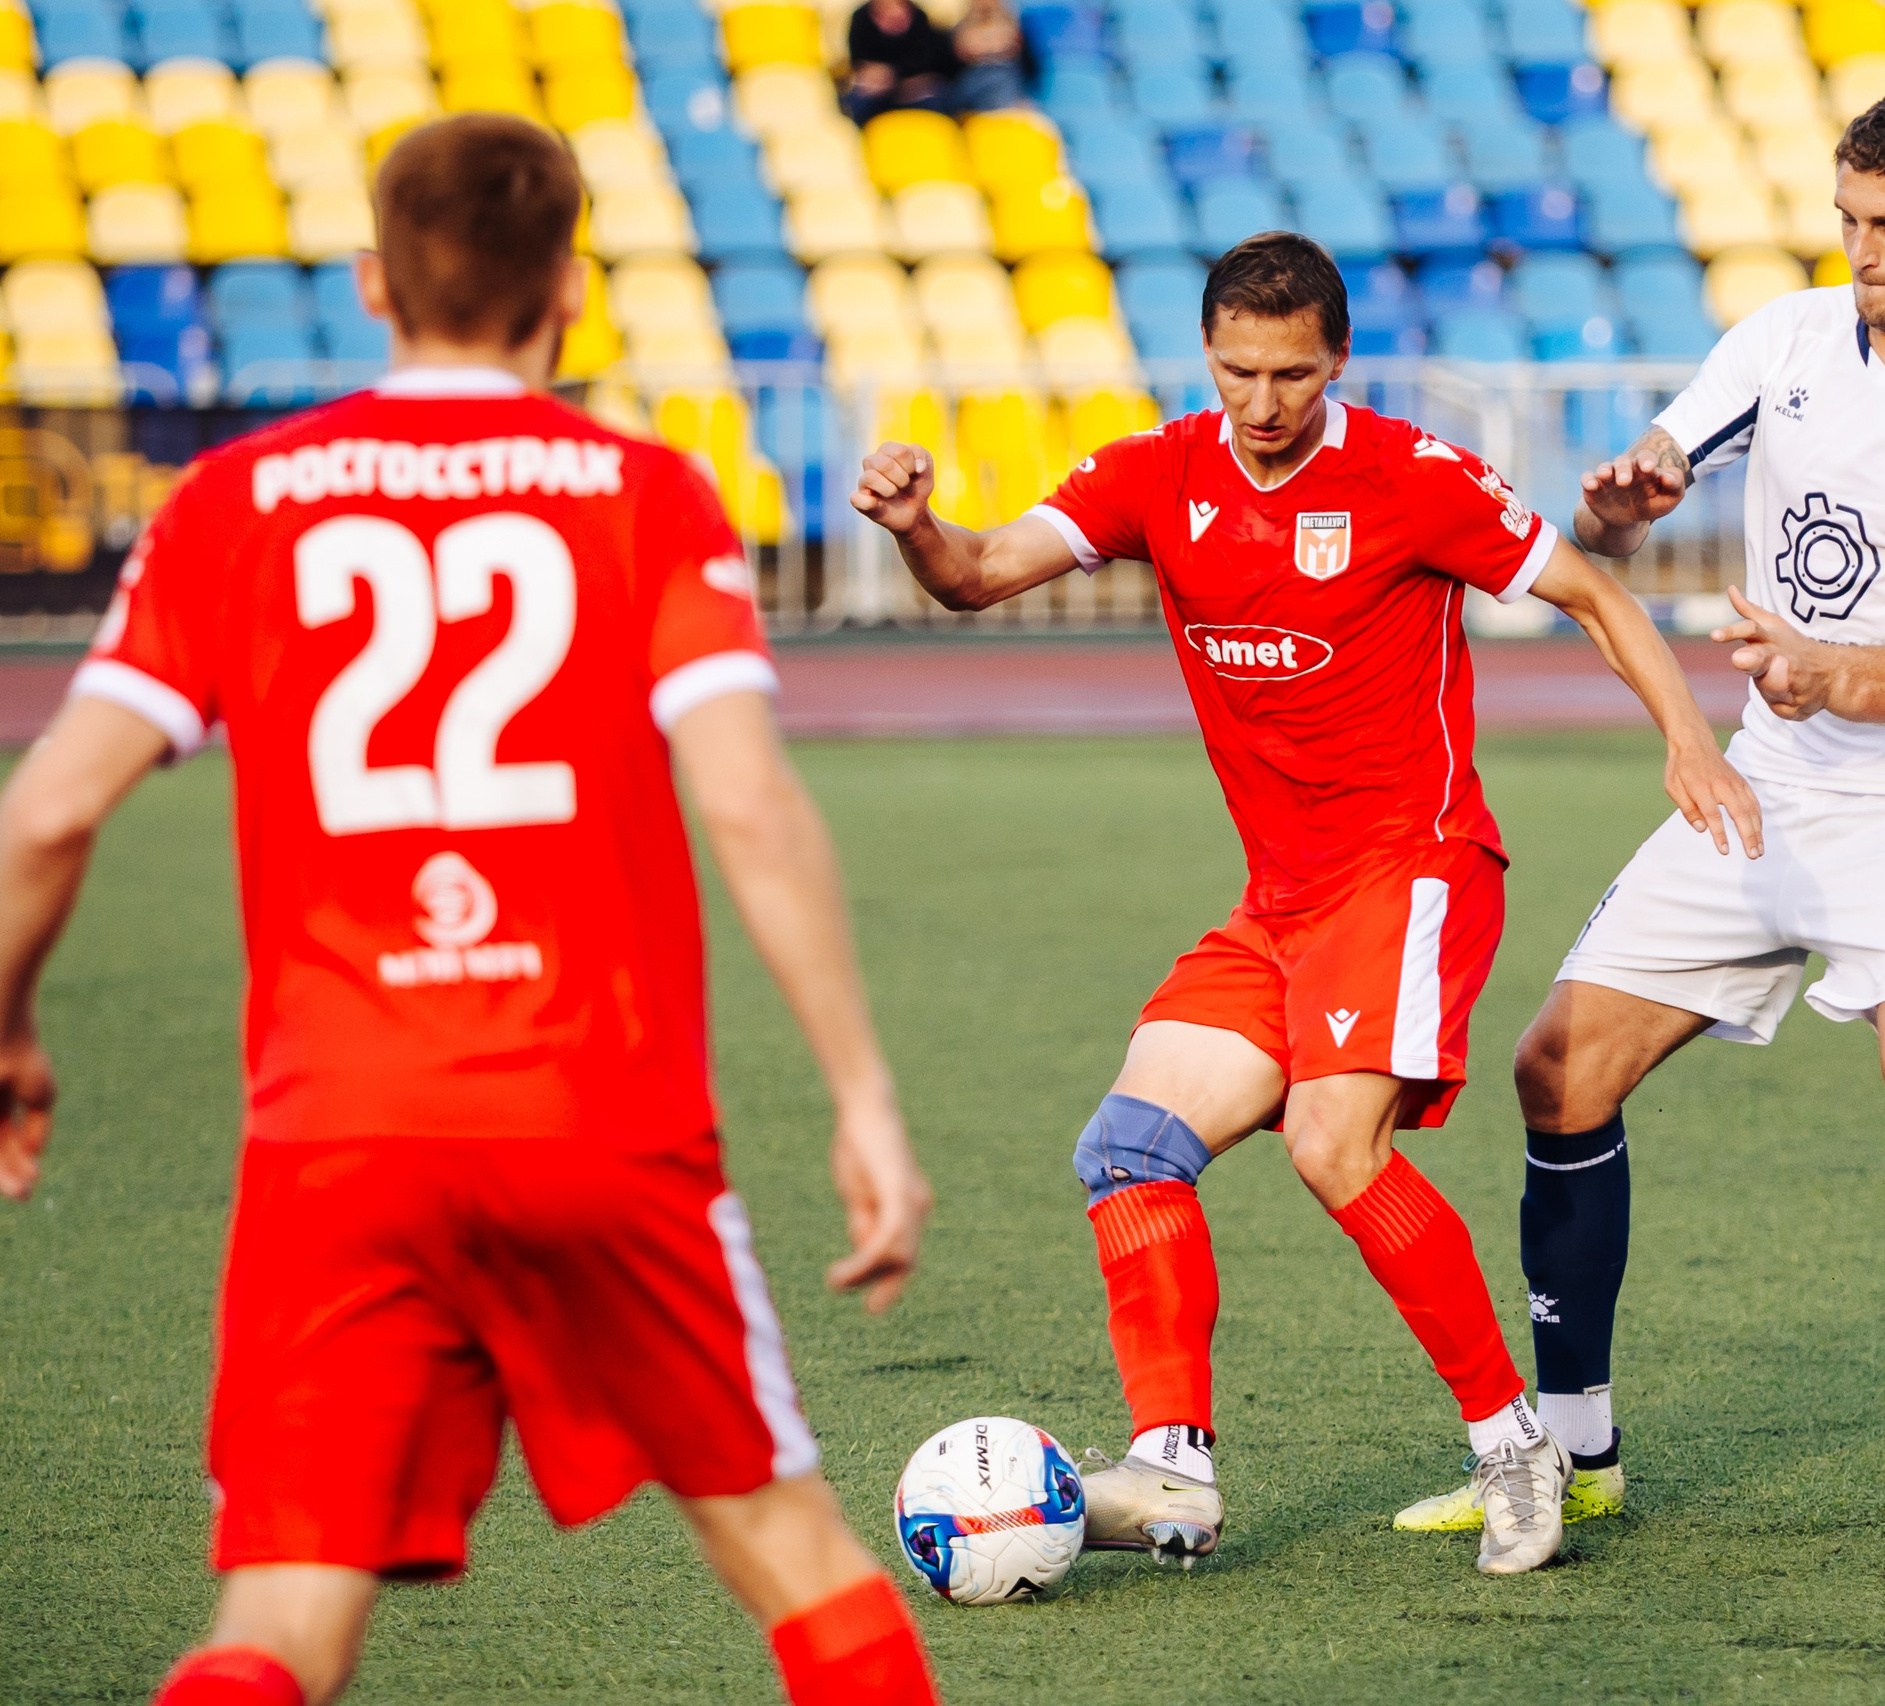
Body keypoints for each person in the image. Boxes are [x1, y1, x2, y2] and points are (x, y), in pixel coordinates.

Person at [0, 115, 937, 1706]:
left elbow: (50, 808)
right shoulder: (641, 491)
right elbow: (747, 803)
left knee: (281, 1614)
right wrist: (860, 1093)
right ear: (570, 287)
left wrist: (12, 1026)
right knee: (797, 1552)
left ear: (372, 279)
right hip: (606, 1120)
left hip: (339, 1139)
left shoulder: (235, 500)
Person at [852, 232, 1760, 1577]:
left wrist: (1689, 734)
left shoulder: (1411, 477)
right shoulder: (1156, 472)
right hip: (1281, 899)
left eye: (1289, 373)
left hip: (1416, 865)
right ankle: (1174, 1465)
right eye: (1236, 371)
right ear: (1206, 355)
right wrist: (917, 522)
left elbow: (1591, 591)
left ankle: (1516, 1448)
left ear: (1337, 359)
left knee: (1335, 1144)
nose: (1262, 402)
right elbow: (976, 572)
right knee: (1129, 1146)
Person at [1395, 87, 1885, 1541]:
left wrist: (1836, 669)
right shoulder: (1788, 341)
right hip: (1777, 773)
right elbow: (1635, 499)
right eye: (1848, 220)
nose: (1863, 253)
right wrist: (1629, 492)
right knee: (1558, 1071)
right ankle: (1578, 1451)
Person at [841, 0, 959, 124]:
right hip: (876, 92)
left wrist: (894, 76)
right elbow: (858, 62)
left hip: (913, 90)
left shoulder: (919, 16)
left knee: (940, 98)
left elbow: (928, 61)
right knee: (856, 102)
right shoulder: (861, 17)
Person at [949, 0, 1032, 114]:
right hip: (971, 86)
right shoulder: (962, 24)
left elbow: (1029, 66)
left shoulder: (1012, 24)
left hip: (1006, 90)